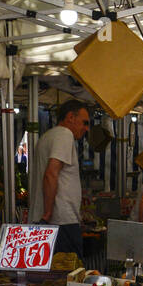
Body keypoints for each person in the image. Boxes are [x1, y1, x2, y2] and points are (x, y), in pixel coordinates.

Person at [34, 100, 91, 256]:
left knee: (50, 276)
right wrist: (47, 214)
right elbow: (51, 173)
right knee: (69, 275)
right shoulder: (64, 135)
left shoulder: (47, 136)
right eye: (84, 122)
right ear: (70, 117)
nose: (86, 128)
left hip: (52, 221)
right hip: (61, 221)